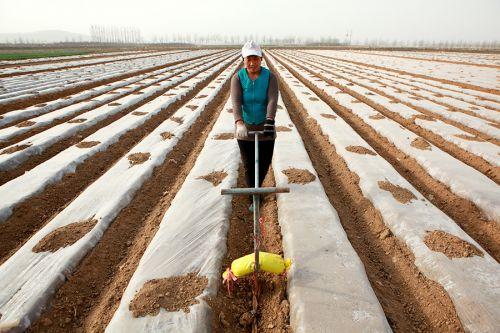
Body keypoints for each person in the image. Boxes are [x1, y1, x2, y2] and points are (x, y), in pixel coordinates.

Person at [231, 41, 279, 211]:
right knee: (249, 164)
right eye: (248, 59)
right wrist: (239, 122)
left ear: (261, 59)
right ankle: (253, 197)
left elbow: (272, 99)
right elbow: (236, 101)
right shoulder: (237, 78)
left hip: (266, 125)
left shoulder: (270, 77)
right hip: (245, 128)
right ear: (243, 59)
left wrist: (270, 120)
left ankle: (257, 188)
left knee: (264, 163)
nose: (252, 63)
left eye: (255, 59)